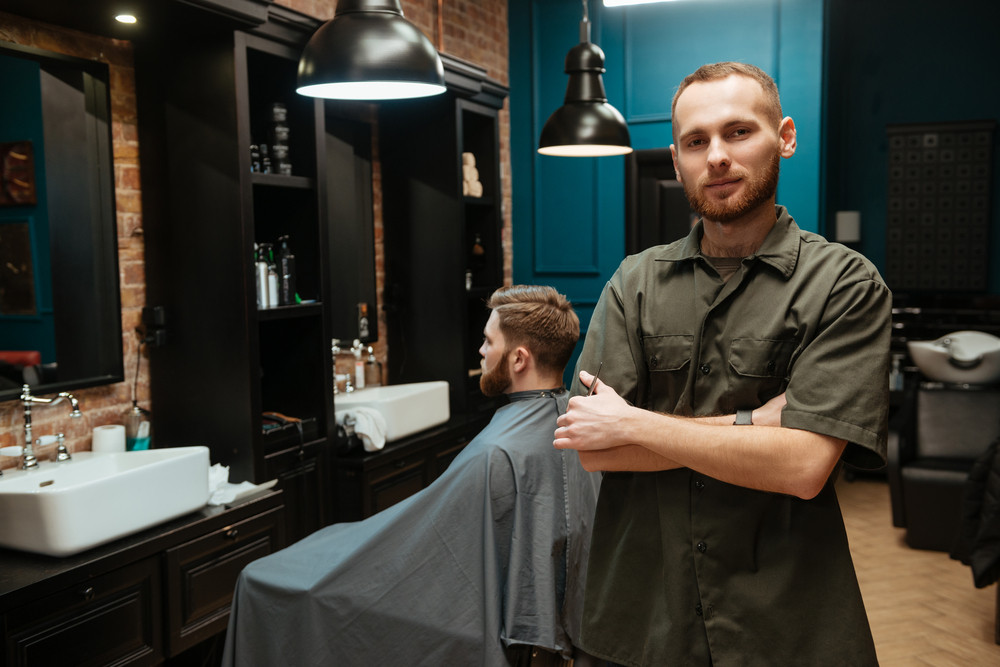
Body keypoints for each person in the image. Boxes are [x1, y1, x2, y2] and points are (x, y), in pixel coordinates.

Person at [553, 62, 891, 666]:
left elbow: (805, 465)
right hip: (643, 612)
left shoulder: (843, 283)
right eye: (695, 141)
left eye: (738, 132)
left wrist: (634, 423)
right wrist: (758, 424)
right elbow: (594, 446)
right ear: (677, 158)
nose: (716, 156)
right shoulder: (635, 281)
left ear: (783, 136)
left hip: (785, 620)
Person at [222, 285, 602, 667]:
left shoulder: (496, 453)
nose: (481, 352)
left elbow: (426, 557)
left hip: (454, 609)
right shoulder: (580, 424)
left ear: (519, 359)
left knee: (263, 579)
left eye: (488, 342)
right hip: (568, 634)